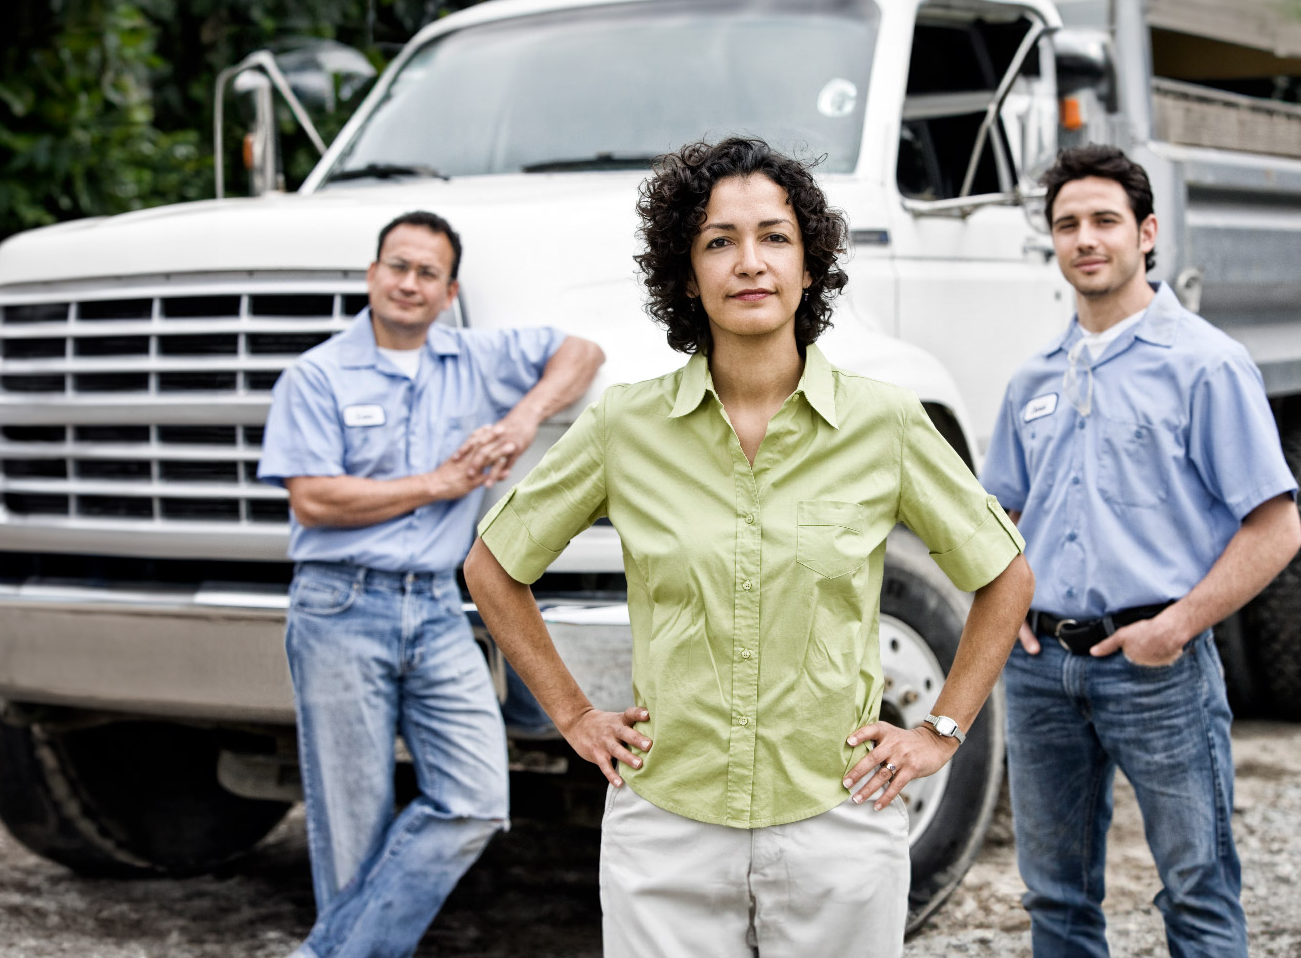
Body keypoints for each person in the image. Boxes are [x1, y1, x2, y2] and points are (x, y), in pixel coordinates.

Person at [464, 138, 1035, 958]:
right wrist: (575, 715)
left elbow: (1006, 575)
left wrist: (941, 730)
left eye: (774, 237)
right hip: (664, 829)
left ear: (810, 268)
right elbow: (492, 567)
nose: (749, 262)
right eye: (718, 241)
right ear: (687, 276)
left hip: (840, 822)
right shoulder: (626, 425)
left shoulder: (886, 422)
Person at [257, 209, 604, 958]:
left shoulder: (474, 359)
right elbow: (314, 498)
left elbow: (583, 352)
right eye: (397, 266)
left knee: (478, 799)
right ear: (371, 275)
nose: (409, 283)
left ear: (449, 293)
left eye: (427, 273)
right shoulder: (316, 376)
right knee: (352, 825)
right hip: (340, 604)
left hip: (440, 608)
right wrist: (441, 483)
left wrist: (521, 421)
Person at [981, 145, 1300, 958]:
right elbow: (998, 515)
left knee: (1196, 891)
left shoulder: (1206, 365)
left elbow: (1275, 527)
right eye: (1066, 225)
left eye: (1104, 221)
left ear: (1146, 232)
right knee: (1054, 898)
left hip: (1158, 665)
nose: (1085, 239)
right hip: (1040, 672)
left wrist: (1178, 625)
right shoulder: (1032, 380)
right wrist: (1005, 607)